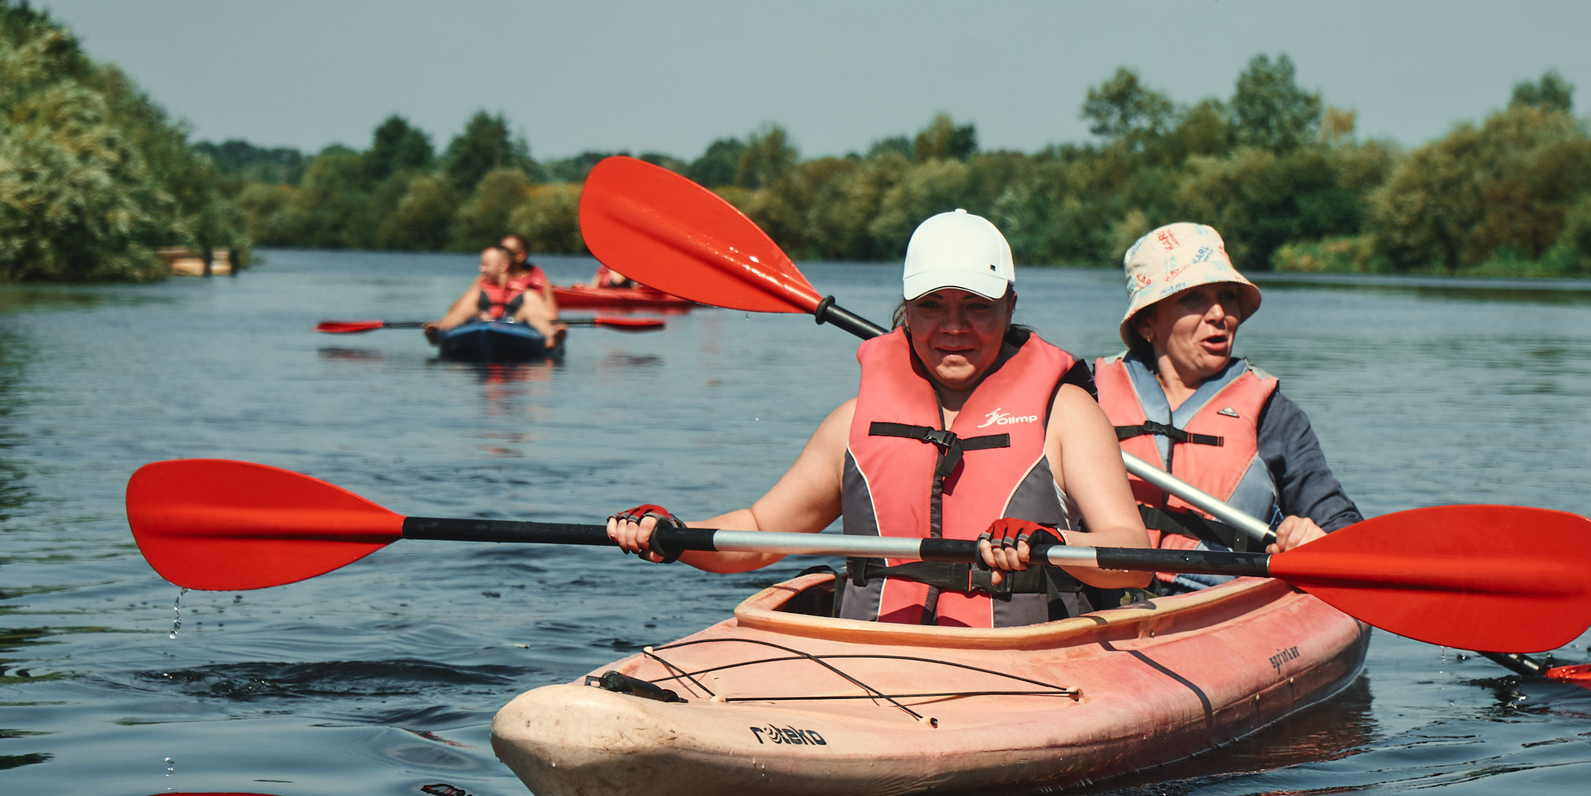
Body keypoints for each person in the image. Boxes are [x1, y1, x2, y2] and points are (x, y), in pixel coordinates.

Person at [608, 210, 1149, 626]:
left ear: (1010, 306)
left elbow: (1134, 555)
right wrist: (673, 534)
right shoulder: (852, 423)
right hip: (877, 653)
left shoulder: (1066, 416)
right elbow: (758, 533)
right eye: (932, 306)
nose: (954, 327)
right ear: (907, 310)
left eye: (977, 307)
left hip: (1023, 659)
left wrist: (1050, 539)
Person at [1092, 223, 1359, 590]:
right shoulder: (1087, 399)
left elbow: (1343, 527)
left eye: (1227, 297)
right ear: (1146, 322)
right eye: (1193, 298)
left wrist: (1316, 535)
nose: (1219, 313)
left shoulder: (1274, 416)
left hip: (1219, 610)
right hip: (1099, 601)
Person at [425, 245, 564, 347]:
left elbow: (549, 316)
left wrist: (554, 325)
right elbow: (455, 310)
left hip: (516, 322)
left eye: (485, 265)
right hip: (485, 320)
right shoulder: (480, 286)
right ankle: (438, 332)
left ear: (503, 266)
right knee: (469, 309)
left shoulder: (526, 290)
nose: (481, 269)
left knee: (530, 308)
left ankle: (551, 336)